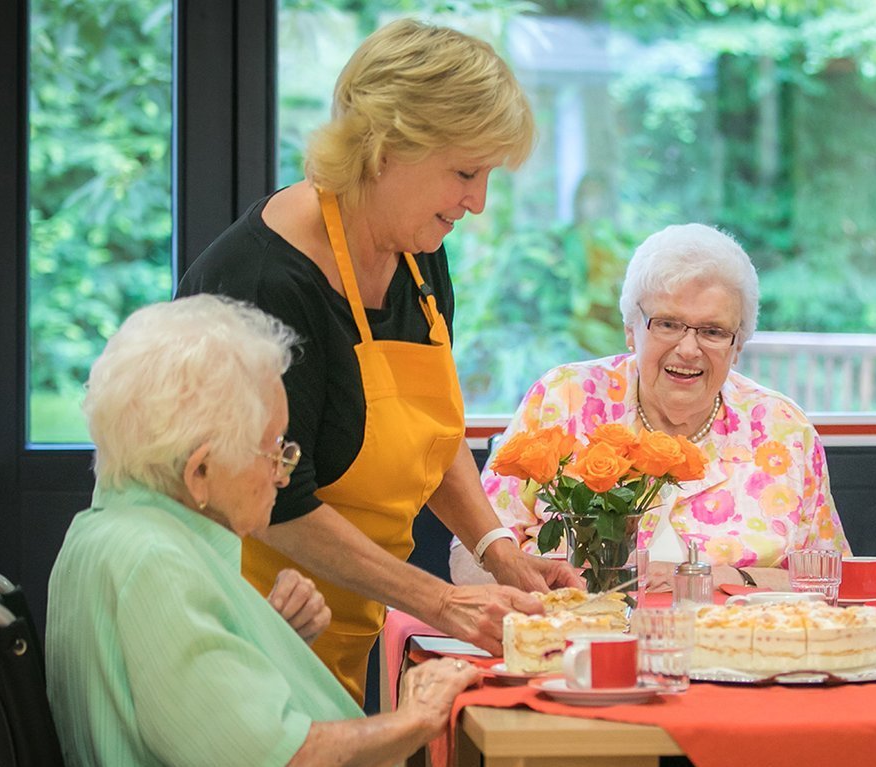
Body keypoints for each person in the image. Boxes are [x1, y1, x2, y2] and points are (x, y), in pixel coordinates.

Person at [175, 19, 579, 700]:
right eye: (464, 172)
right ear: (387, 148)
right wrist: (442, 601)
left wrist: (500, 552)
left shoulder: (417, 254)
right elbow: (279, 502)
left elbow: (429, 435)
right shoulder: (264, 281)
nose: (477, 203)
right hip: (240, 634)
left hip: (341, 632)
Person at [47, 295, 484, 766]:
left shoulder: (103, 532)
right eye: (274, 449)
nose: (283, 473)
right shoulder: (157, 564)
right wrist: (416, 717)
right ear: (200, 473)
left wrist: (265, 635)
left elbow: (180, 705)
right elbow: (279, 760)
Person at [450, 223, 849, 589]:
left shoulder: (783, 429)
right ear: (630, 329)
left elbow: (833, 579)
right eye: (668, 324)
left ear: (738, 345)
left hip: (740, 651)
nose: (689, 349)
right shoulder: (563, 399)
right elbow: (473, 556)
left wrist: (725, 578)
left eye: (713, 331)